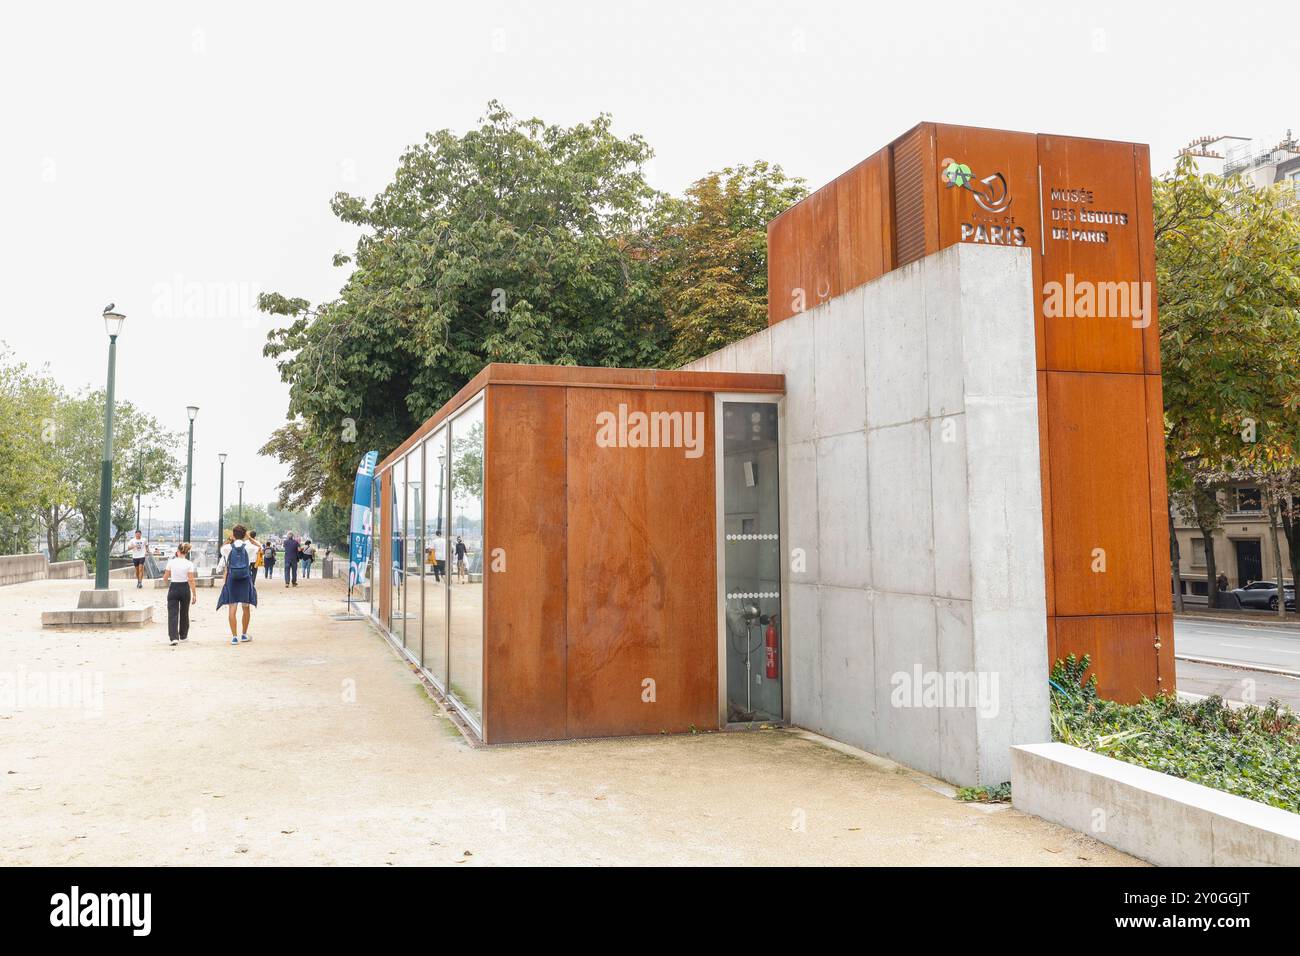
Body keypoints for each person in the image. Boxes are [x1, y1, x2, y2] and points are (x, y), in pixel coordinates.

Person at [216, 524, 258, 645]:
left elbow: (222, 548)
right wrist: (249, 538)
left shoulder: (227, 548)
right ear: (245, 534)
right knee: (246, 607)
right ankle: (244, 634)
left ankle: (234, 637)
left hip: (232, 579)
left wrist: (230, 539)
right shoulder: (250, 547)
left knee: (232, 608)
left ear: (233, 534)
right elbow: (259, 546)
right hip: (245, 579)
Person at [162, 543, 198, 645]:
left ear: (178, 552)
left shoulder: (171, 562)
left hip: (174, 587)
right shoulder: (189, 563)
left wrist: (166, 580)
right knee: (184, 612)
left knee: (173, 613)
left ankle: (174, 638)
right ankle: (183, 635)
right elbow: (191, 580)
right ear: (186, 552)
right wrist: (194, 594)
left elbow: (165, 578)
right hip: (185, 588)